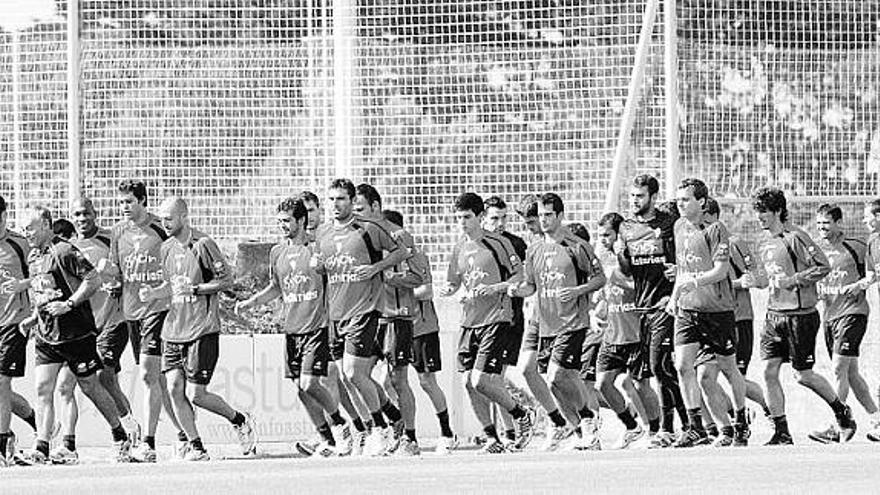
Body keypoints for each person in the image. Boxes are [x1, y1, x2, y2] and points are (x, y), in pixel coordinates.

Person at [140, 197, 257, 460]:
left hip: (201, 329)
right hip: (172, 329)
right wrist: (152, 293)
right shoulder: (166, 248)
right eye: (161, 218)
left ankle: (239, 420)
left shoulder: (202, 244)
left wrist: (196, 289)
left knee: (197, 395)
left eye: (169, 218)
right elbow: (171, 286)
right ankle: (196, 447)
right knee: (172, 388)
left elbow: (226, 280)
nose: (164, 223)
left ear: (183, 216)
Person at [236, 197, 351, 457]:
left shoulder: (317, 247)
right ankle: (327, 440)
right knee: (300, 389)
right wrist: (251, 302)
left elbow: (336, 278)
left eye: (287, 221)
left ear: (301, 221)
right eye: (279, 221)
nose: (283, 226)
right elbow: (276, 287)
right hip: (292, 330)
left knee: (310, 384)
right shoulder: (277, 252)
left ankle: (341, 425)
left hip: (317, 326)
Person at [19, 205, 132, 464]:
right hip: (47, 336)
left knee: (90, 386)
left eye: (31, 227)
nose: (27, 232)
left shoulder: (65, 251)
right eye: (24, 228)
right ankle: (42, 447)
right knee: (43, 388)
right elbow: (43, 292)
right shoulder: (34, 257)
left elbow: (92, 280)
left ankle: (120, 435)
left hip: (76, 334)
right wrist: (34, 318)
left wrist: (69, 304)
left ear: (46, 225)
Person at [751, 187, 855, 445]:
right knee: (768, 371)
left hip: (801, 316)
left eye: (764, 211)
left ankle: (842, 412)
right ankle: (782, 431)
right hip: (773, 315)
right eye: (757, 211)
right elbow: (766, 277)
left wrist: (793, 280)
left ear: (777, 211)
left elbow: (823, 266)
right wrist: (754, 281)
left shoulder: (795, 236)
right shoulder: (762, 241)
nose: (759, 217)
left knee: (803, 375)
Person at [315, 179, 408, 456]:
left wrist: (375, 268)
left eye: (341, 199)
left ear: (352, 200)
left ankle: (377, 429)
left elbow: (402, 251)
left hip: (365, 309)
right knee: (346, 376)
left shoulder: (369, 228)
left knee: (355, 372)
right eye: (331, 199)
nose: (335, 204)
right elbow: (326, 267)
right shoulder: (324, 234)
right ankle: (393, 416)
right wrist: (318, 267)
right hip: (336, 314)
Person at [49, 198, 142, 465]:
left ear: (94, 214)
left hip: (114, 319)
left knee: (103, 375)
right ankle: (68, 445)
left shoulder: (110, 239)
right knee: (65, 386)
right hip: (82, 328)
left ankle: (128, 432)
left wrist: (120, 286)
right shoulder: (66, 248)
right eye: (77, 214)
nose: (82, 218)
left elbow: (129, 270)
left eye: (86, 213)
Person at [510, 194, 606, 450]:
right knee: (557, 381)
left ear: (560, 215)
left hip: (572, 320)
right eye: (541, 215)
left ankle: (588, 418)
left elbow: (600, 279)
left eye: (548, 215)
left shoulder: (577, 245)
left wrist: (577, 291)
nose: (544, 220)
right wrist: (516, 290)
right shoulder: (535, 250)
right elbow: (531, 286)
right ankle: (578, 431)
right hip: (546, 323)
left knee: (555, 376)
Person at [441, 192, 534, 454]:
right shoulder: (459, 247)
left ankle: (522, 413)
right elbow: (456, 280)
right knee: (468, 382)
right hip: (469, 321)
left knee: (481, 380)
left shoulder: (498, 244)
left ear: (480, 216)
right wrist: (450, 289)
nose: (462, 222)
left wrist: (496, 288)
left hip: (497, 318)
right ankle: (491, 437)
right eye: (459, 217)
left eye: (467, 217)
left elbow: (521, 276)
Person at [666, 179, 749, 447]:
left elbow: (720, 271)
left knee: (726, 368)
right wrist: (676, 294)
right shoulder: (679, 227)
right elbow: (682, 267)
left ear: (701, 202)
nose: (681, 204)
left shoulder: (716, 229)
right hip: (688, 309)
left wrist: (695, 281)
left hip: (717, 311)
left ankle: (739, 421)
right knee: (682, 366)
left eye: (686, 199)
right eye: (679, 200)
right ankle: (695, 427)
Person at [110, 180, 186, 462]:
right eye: (121, 202)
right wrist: (109, 277)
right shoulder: (117, 232)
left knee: (146, 375)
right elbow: (117, 272)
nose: (124, 207)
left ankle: (149, 443)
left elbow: (178, 260)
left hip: (159, 309)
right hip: (131, 313)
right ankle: (184, 436)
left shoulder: (159, 229)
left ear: (143, 201)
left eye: (129, 201)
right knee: (156, 380)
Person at [617, 175, 687, 447]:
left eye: (640, 196)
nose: (635, 200)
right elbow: (627, 270)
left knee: (659, 367)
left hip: (665, 304)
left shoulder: (669, 224)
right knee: (663, 370)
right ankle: (693, 425)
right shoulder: (627, 227)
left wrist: (678, 272)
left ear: (652, 198)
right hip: (642, 307)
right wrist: (620, 254)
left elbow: (683, 255)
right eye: (632, 195)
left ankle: (667, 430)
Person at [384, 209, 458, 454]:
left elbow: (426, 290)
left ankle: (447, 433)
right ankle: (407, 436)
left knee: (427, 382)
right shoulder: (386, 260)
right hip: (397, 325)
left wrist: (401, 291)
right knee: (391, 381)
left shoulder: (415, 256)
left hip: (421, 326)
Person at [353, 184, 417, 455]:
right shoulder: (356, 236)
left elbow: (419, 277)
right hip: (369, 317)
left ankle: (410, 439)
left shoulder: (400, 236)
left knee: (398, 380)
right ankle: (389, 420)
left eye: (360, 209)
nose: (355, 215)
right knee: (355, 374)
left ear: (375, 207)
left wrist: (392, 277)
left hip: (395, 317)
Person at [811, 203, 879, 442]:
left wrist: (860, 285)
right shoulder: (816, 250)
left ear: (839, 223)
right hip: (829, 316)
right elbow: (813, 280)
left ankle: (838, 424)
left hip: (854, 312)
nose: (822, 228)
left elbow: (872, 273)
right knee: (851, 374)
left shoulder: (858, 247)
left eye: (826, 223)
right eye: (819, 224)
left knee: (839, 367)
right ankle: (877, 419)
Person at [595, 212, 662, 449]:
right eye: (600, 235)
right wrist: (597, 314)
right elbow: (609, 296)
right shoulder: (606, 262)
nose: (603, 240)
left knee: (641, 383)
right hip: (613, 335)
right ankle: (632, 427)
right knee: (602, 384)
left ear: (620, 236)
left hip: (636, 333)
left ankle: (655, 431)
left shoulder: (631, 259)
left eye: (607, 235)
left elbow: (641, 286)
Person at [483, 196, 529, 446]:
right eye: (494, 218)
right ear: (483, 218)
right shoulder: (475, 244)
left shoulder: (516, 244)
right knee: (481, 380)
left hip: (508, 320)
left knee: (493, 378)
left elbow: (523, 279)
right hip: (480, 321)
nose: (499, 223)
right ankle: (501, 433)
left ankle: (510, 432)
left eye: (503, 218)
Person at [0, 196, 37, 466]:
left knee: (1, 382)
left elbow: (40, 275)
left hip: (14, 322)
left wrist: (21, 285)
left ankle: (2, 445)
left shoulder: (19, 243)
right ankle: (37, 422)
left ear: (4, 217)